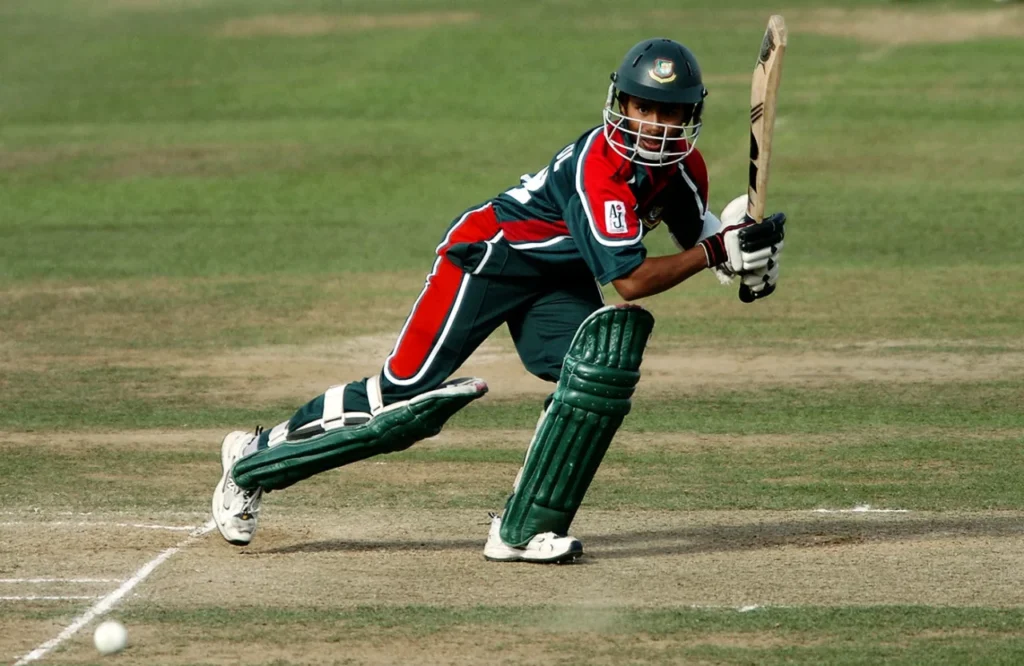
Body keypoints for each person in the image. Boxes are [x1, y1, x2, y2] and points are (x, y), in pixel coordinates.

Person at [212, 37, 786, 563]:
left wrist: (747, 257)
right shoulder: (599, 170)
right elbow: (633, 280)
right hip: (487, 260)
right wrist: (719, 253)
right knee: (397, 402)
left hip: (556, 280)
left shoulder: (683, 167)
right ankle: (254, 459)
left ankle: (521, 527)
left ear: (691, 114)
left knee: (596, 373)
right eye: (643, 108)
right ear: (622, 104)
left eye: (669, 112)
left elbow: (703, 238)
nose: (655, 125)